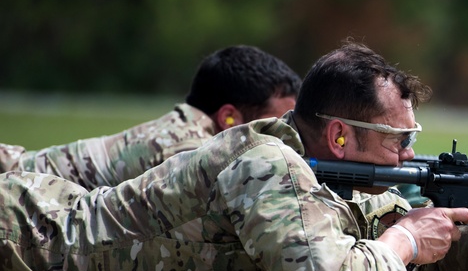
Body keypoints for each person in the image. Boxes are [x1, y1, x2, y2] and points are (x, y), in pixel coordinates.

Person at [0, 42, 468, 271]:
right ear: (340, 136)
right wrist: (406, 241)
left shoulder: (333, 180)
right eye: (399, 138)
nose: (410, 154)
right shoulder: (267, 163)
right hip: (23, 241)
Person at [0, 45, 301, 189]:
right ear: (230, 118)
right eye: (276, 123)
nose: (286, 136)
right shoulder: (189, 149)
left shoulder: (185, 129)